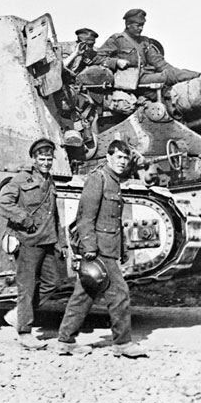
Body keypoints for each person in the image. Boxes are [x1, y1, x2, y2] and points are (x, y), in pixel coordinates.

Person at [54, 140, 147, 358]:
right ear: (108, 157)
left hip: (108, 248)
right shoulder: (98, 179)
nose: (123, 162)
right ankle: (123, 343)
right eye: (119, 157)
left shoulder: (114, 181)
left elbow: (114, 221)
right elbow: (85, 217)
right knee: (120, 294)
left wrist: (121, 249)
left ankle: (65, 340)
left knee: (84, 294)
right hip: (99, 250)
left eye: (126, 158)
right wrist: (89, 248)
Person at [0, 138, 63, 350]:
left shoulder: (49, 180)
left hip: (47, 240)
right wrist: (23, 218)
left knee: (52, 283)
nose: (45, 162)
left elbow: (53, 213)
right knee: (27, 287)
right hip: (28, 241)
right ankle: (25, 332)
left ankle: (19, 314)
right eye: (41, 158)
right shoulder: (21, 179)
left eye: (49, 158)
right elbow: (3, 203)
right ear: (34, 159)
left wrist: (59, 241)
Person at [94, 9, 201, 87]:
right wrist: (116, 62)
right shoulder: (117, 40)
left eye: (142, 25)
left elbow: (159, 62)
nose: (140, 28)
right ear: (128, 24)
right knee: (170, 75)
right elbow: (97, 58)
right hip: (134, 80)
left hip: (148, 75)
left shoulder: (145, 42)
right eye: (137, 25)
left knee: (175, 72)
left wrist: (176, 73)